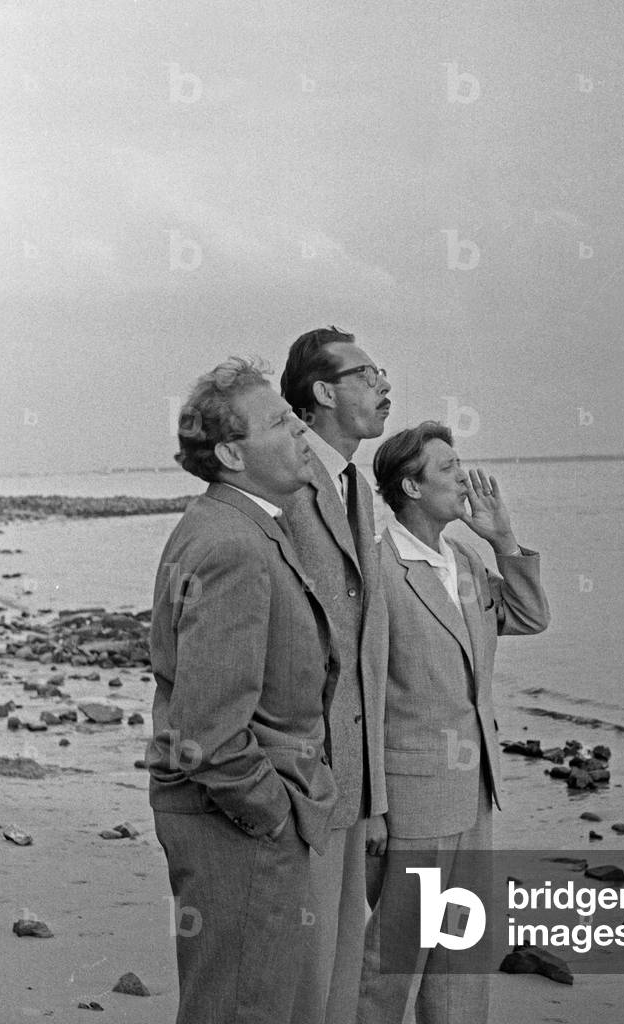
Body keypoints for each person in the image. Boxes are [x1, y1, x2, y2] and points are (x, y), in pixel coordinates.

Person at [147, 357, 339, 1024]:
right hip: (238, 825)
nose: (300, 434)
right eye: (281, 422)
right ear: (231, 451)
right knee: (244, 1007)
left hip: (236, 818)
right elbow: (207, 730)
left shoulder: (238, 526)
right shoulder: (235, 544)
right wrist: (272, 814)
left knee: (243, 1000)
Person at [357, 421, 550, 1024]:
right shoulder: (378, 568)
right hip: (411, 794)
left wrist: (503, 539)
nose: (464, 479)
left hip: (474, 789)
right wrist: (374, 804)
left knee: (461, 950)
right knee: (396, 956)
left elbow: (529, 617)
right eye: (447, 469)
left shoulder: (463, 558)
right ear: (410, 487)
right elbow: (361, 690)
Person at [279, 326, 391, 1024]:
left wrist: (373, 789)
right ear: (323, 392)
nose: (385, 385)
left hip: (350, 779)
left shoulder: (357, 488)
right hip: (303, 779)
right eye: (368, 373)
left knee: (341, 977)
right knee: (303, 979)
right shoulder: (288, 482)